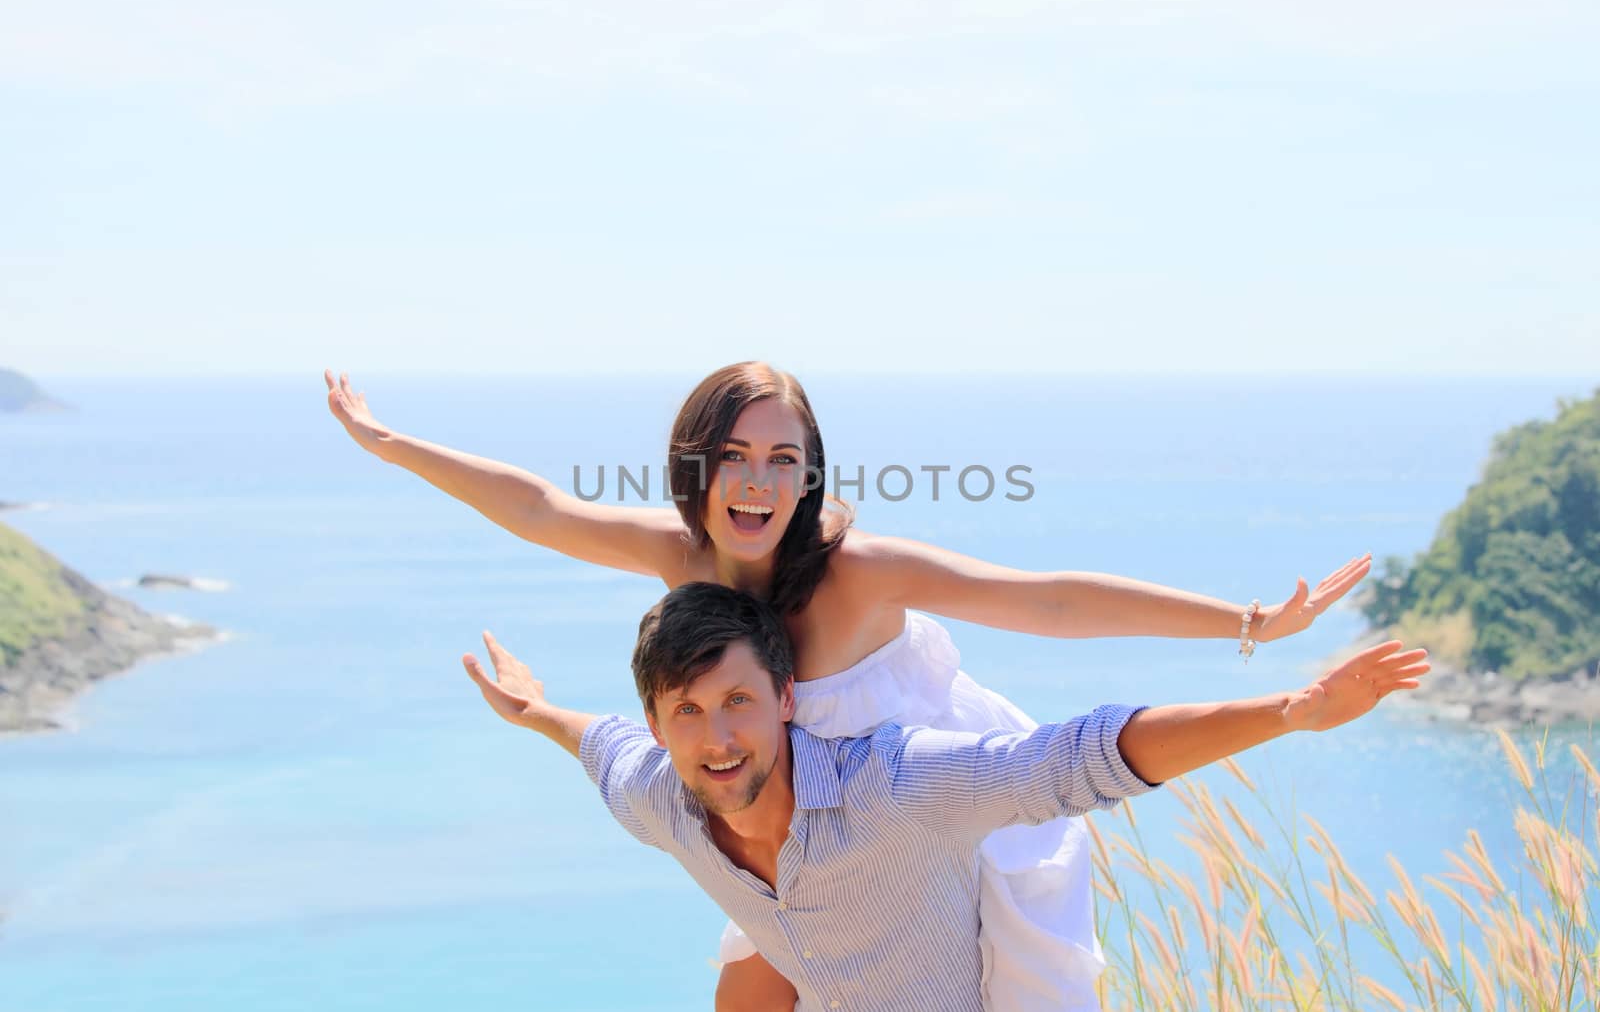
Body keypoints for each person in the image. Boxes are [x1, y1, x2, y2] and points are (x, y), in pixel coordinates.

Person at [325, 363, 1373, 1010]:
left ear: (808, 473)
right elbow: (542, 508)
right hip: (798, 833)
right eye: (734, 455)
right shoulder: (681, 556)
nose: (758, 480)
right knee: (748, 983)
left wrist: (1244, 623)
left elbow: (1046, 599)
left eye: (784, 458)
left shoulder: (854, 570)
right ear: (698, 465)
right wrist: (387, 443)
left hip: (949, 807)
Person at [462, 582, 1430, 1012]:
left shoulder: (894, 782)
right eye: (687, 712)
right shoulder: (657, 795)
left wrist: (1289, 709)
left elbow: (1074, 755)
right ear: (659, 718)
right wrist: (534, 707)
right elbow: (597, 739)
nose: (716, 737)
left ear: (787, 699)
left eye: (738, 702)